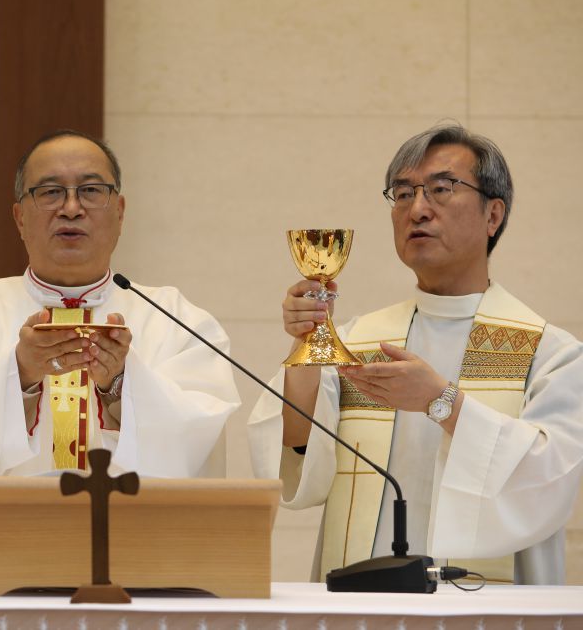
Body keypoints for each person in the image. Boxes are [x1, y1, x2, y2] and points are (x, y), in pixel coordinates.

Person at [248, 124, 583, 584]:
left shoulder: (548, 352)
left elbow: (551, 478)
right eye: (403, 194)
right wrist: (308, 340)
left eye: (441, 189)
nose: (418, 210)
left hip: (488, 608)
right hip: (365, 603)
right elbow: (297, 454)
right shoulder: (361, 340)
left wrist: (442, 403)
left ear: (493, 215)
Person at [0, 129, 240, 532]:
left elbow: (199, 433)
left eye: (92, 190)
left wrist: (120, 384)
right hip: (3, 548)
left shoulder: (177, 319)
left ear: (121, 211)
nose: (71, 208)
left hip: (135, 550)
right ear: (19, 217)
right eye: (49, 192)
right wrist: (19, 373)